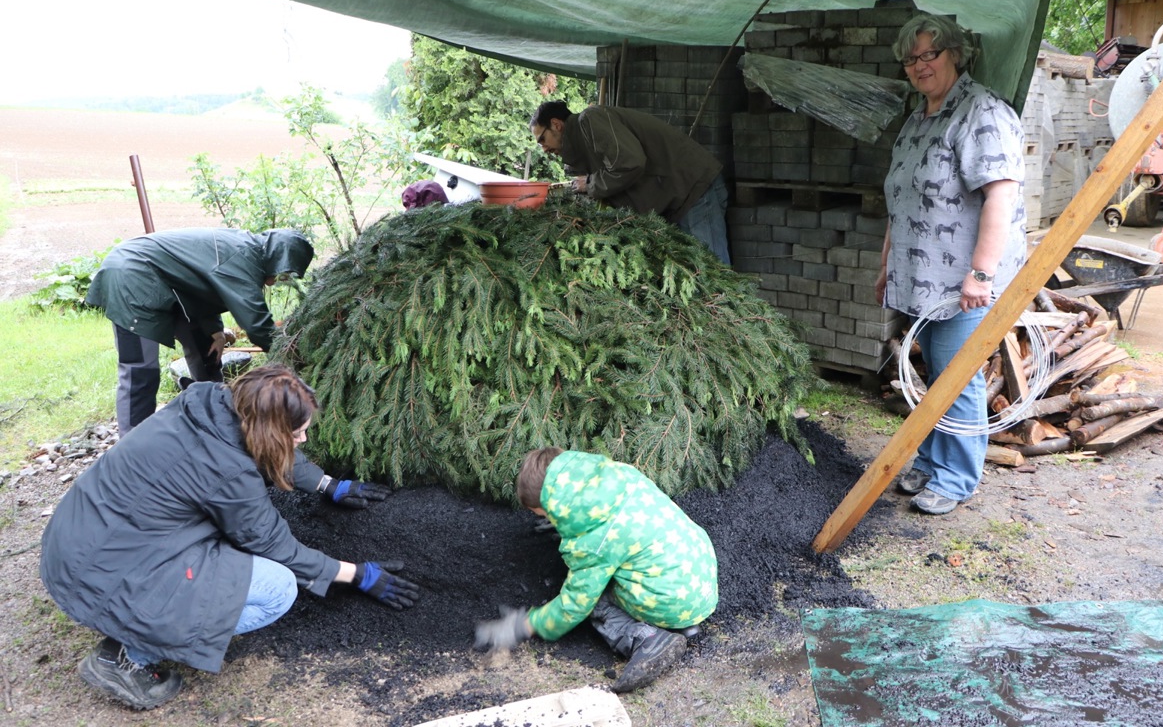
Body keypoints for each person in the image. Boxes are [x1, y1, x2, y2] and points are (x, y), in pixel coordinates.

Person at [39, 364, 418, 711]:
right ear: (271, 431)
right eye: (297, 432)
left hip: (79, 542)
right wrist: (355, 574)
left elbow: (270, 446)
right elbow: (272, 544)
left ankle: (132, 622)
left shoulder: (208, 403)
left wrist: (326, 484)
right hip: (104, 570)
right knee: (279, 589)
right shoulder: (228, 471)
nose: (302, 440)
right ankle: (127, 655)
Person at [875, 13, 1026, 515]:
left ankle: (957, 478)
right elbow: (902, 201)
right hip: (923, 279)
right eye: (910, 59)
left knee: (956, 378)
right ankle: (931, 459)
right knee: (936, 373)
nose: (919, 66)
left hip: (966, 280)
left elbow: (1000, 196)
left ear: (955, 55)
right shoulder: (918, 117)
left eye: (929, 55)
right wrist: (886, 267)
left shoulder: (980, 112)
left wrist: (981, 273)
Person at [473, 447, 718, 693]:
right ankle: (684, 623)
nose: (547, 518)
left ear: (557, 505)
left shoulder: (592, 543)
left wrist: (525, 625)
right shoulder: (617, 476)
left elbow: (574, 606)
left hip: (672, 600)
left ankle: (647, 638)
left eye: (547, 513)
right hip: (699, 574)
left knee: (595, 601)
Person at [86, 227, 315, 436]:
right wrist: (292, 357)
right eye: (280, 273)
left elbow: (202, 283)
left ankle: (212, 418)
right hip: (132, 277)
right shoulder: (242, 257)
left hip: (170, 286)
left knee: (207, 350)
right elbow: (256, 325)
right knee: (140, 370)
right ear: (276, 257)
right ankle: (131, 444)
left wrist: (216, 331)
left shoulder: (246, 251)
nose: (274, 281)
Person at [529, 100, 731, 263]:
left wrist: (590, 184)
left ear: (556, 124)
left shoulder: (590, 119)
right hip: (676, 201)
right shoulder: (581, 145)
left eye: (542, 140)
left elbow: (629, 164)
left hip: (694, 191)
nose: (544, 149)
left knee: (711, 273)